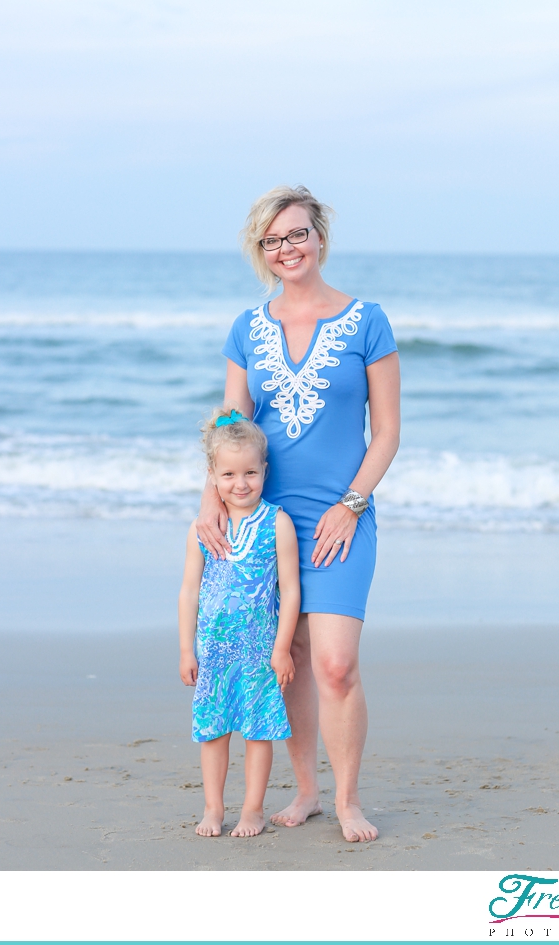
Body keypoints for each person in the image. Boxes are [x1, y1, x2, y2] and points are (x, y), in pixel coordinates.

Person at [196, 185, 401, 843]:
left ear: (320, 237)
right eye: (274, 239)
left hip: (341, 516)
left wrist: (352, 503)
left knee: (335, 662)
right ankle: (307, 789)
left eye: (298, 234)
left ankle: (347, 798)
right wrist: (211, 505)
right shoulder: (246, 329)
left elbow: (389, 431)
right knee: (287, 656)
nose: (288, 247)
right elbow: (232, 428)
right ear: (262, 249)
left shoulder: (368, 320)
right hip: (265, 522)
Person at [179, 407, 300, 837]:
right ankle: (213, 807)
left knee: (257, 730)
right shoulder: (203, 529)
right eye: (229, 475)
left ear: (264, 471)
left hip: (258, 652)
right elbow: (189, 592)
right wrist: (185, 649)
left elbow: (290, 592)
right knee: (213, 732)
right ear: (212, 475)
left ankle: (252, 809)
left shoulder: (277, 523)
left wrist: (282, 647)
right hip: (213, 651)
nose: (241, 483)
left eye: (250, 472)